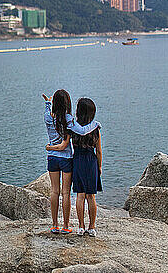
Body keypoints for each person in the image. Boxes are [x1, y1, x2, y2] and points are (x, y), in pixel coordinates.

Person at [42, 90, 100, 234]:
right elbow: (81, 130)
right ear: (68, 103)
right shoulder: (68, 119)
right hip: (66, 158)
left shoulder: (48, 117)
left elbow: (49, 109)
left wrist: (48, 103)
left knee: (54, 191)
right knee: (66, 193)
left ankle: (55, 224)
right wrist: (96, 124)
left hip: (52, 157)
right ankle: (66, 225)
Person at [70, 98, 103, 237]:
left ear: (78, 111)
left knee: (80, 195)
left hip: (78, 161)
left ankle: (81, 226)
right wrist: (99, 167)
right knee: (91, 196)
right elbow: (99, 151)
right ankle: (92, 227)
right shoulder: (95, 128)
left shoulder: (74, 127)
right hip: (91, 162)